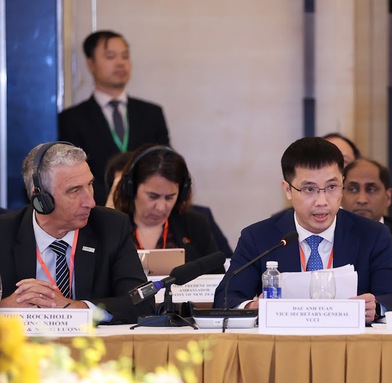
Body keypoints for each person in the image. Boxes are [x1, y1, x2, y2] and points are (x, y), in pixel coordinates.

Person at [213, 137, 392, 322]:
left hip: (350, 342)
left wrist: (376, 307)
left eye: (332, 187)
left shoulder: (372, 235)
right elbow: (226, 298)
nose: (322, 201)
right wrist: (252, 308)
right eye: (309, 189)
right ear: (288, 190)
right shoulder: (259, 237)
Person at [0, 142, 154, 324]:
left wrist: (75, 309)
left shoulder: (111, 226)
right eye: (74, 190)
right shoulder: (4, 232)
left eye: (90, 185)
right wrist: (5, 308)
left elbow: (142, 301)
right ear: (40, 198)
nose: (90, 202)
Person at [58, 30, 170, 206]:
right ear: (91, 63)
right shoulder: (72, 119)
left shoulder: (152, 113)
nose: (120, 63)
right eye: (110, 56)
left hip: (146, 209)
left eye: (125, 56)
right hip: (95, 210)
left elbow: (164, 164)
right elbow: (71, 172)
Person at [111, 145, 225, 269]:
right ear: (131, 188)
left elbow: (217, 275)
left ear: (181, 194)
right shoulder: (112, 228)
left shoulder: (196, 225)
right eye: (153, 196)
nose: (161, 207)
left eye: (169, 197)